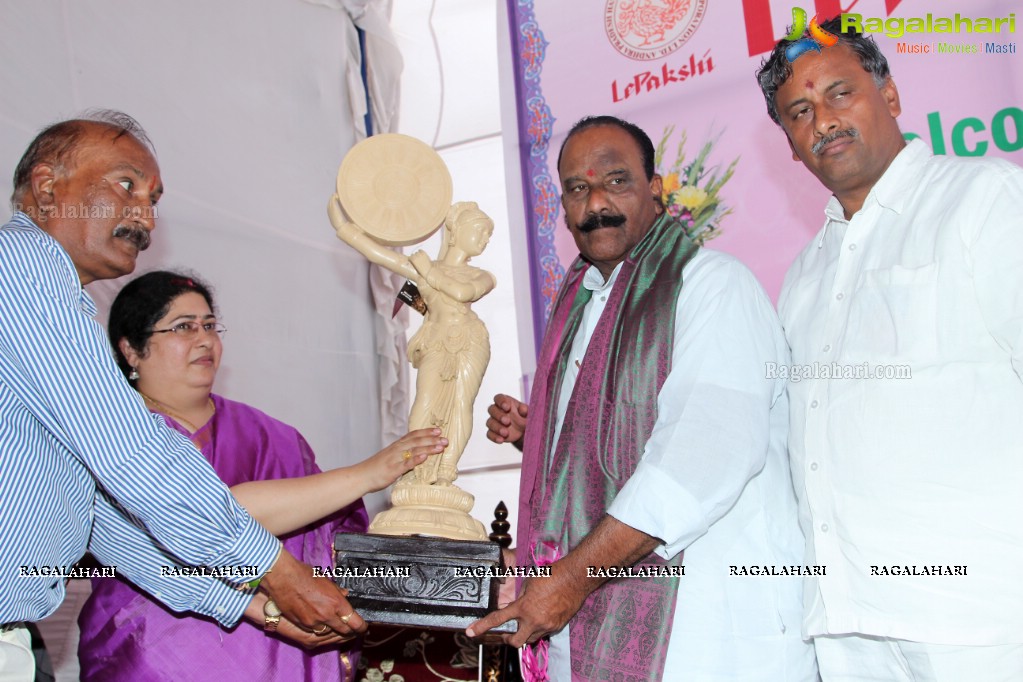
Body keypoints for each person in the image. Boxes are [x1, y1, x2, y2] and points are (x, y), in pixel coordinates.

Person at [0, 111, 363, 680]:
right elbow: (130, 451)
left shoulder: (274, 433)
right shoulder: (24, 265)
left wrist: (249, 605)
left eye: (153, 199)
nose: (144, 215)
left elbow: (105, 522)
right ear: (48, 188)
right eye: (126, 184)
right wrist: (276, 570)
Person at [467, 116, 816, 680]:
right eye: (578, 189)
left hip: (707, 633)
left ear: (655, 190)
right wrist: (541, 440)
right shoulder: (578, 307)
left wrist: (570, 579)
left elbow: (702, 455)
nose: (596, 202)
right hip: (587, 624)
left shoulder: (712, 287)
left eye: (616, 181)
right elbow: (603, 460)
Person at [756, 19, 1023, 680]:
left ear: (891, 95)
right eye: (799, 111)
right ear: (789, 144)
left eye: (839, 93)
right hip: (845, 620)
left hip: (974, 610)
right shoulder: (802, 275)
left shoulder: (980, 200)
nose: (823, 119)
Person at [75, 271, 443, 680]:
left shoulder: (276, 438)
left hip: (282, 655)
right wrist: (367, 474)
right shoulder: (107, 437)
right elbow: (204, 518)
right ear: (131, 350)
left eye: (210, 326)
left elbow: (336, 544)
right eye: (183, 327)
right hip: (151, 653)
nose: (204, 339)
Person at [329, 200, 496, 486]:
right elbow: (381, 257)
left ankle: (446, 470)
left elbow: (461, 291)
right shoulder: (424, 266)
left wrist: (427, 272)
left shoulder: (482, 276)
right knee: (424, 403)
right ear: (455, 233)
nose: (484, 239)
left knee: (461, 403)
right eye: (479, 231)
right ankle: (417, 468)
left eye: (488, 236)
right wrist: (345, 228)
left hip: (470, 339)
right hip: (435, 340)